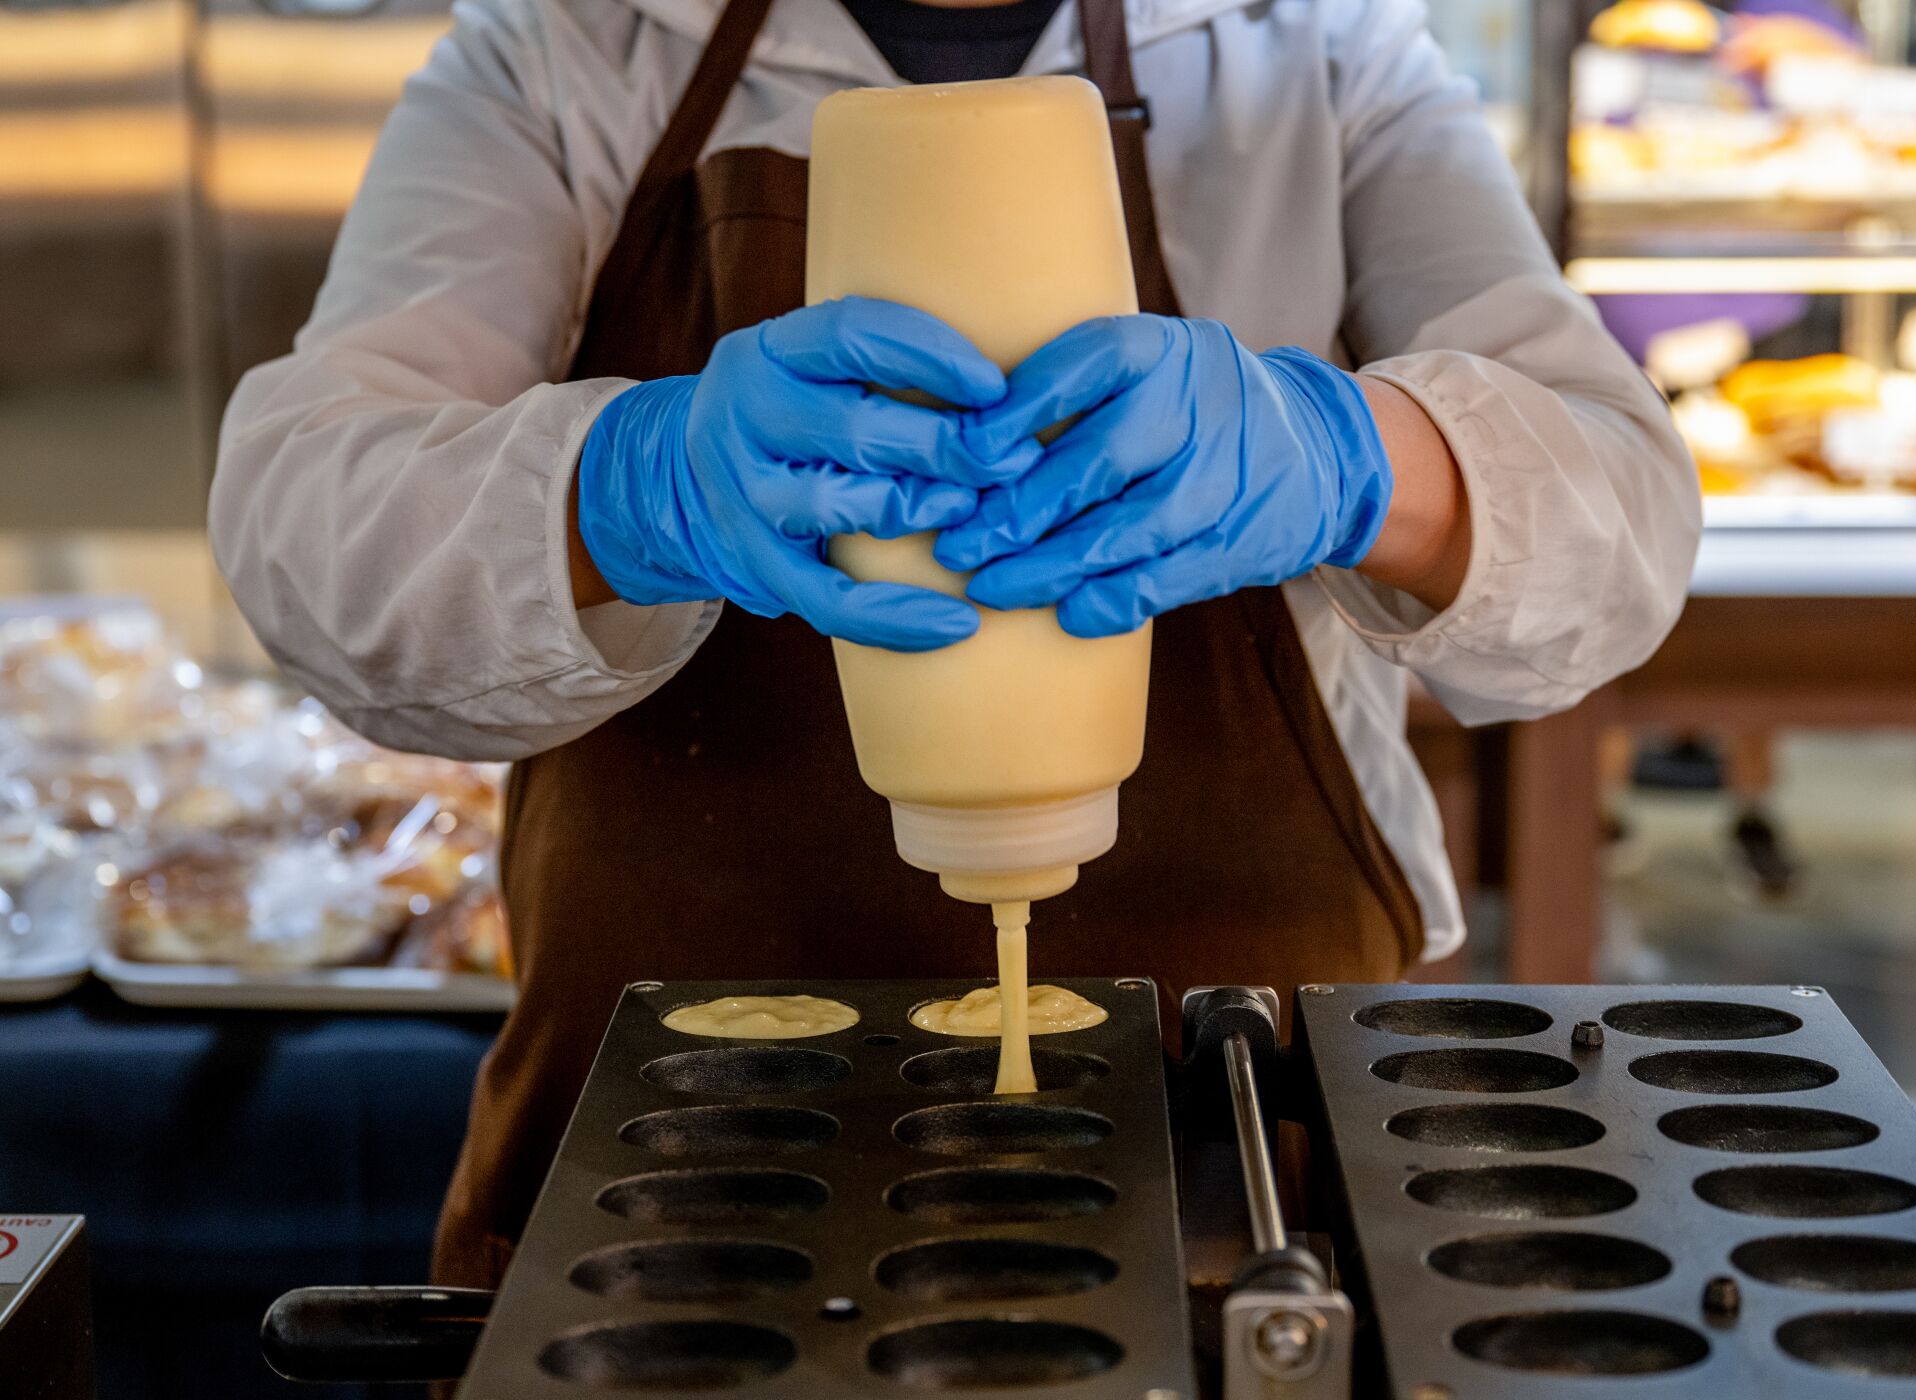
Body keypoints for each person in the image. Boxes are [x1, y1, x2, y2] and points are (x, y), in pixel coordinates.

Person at [209, 0, 1701, 1288]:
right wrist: (634, 485)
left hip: (1237, 1136)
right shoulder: (572, 55)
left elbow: (1621, 526)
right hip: (674, 1161)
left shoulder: (1304, 53)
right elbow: (308, 532)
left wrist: (1357, 457)